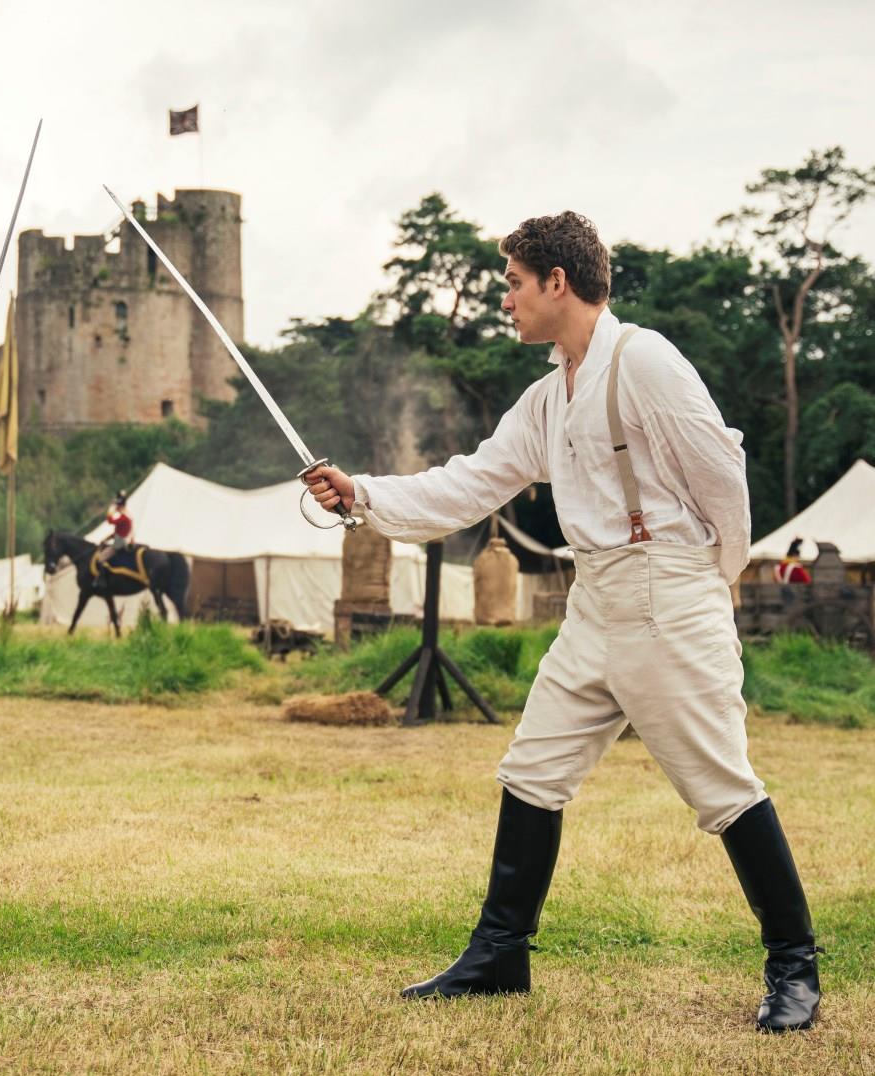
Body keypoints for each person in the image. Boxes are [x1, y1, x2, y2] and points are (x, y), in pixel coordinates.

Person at [304, 212, 822, 1033]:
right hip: (595, 602)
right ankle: (500, 956)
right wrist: (362, 495)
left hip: (670, 593)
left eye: (512, 282)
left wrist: (710, 583)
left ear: (558, 282)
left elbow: (724, 479)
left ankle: (795, 967)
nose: (503, 299)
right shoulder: (548, 395)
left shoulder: (643, 360)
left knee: (720, 787)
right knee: (531, 770)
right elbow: (470, 484)